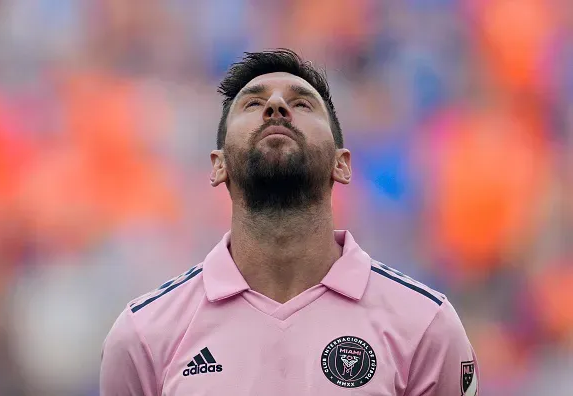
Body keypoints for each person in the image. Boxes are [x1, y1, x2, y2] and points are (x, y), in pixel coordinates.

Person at [100, 49, 479, 396]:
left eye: (301, 103)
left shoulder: (427, 325)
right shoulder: (144, 335)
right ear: (219, 165)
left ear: (341, 164)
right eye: (253, 103)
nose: (277, 107)